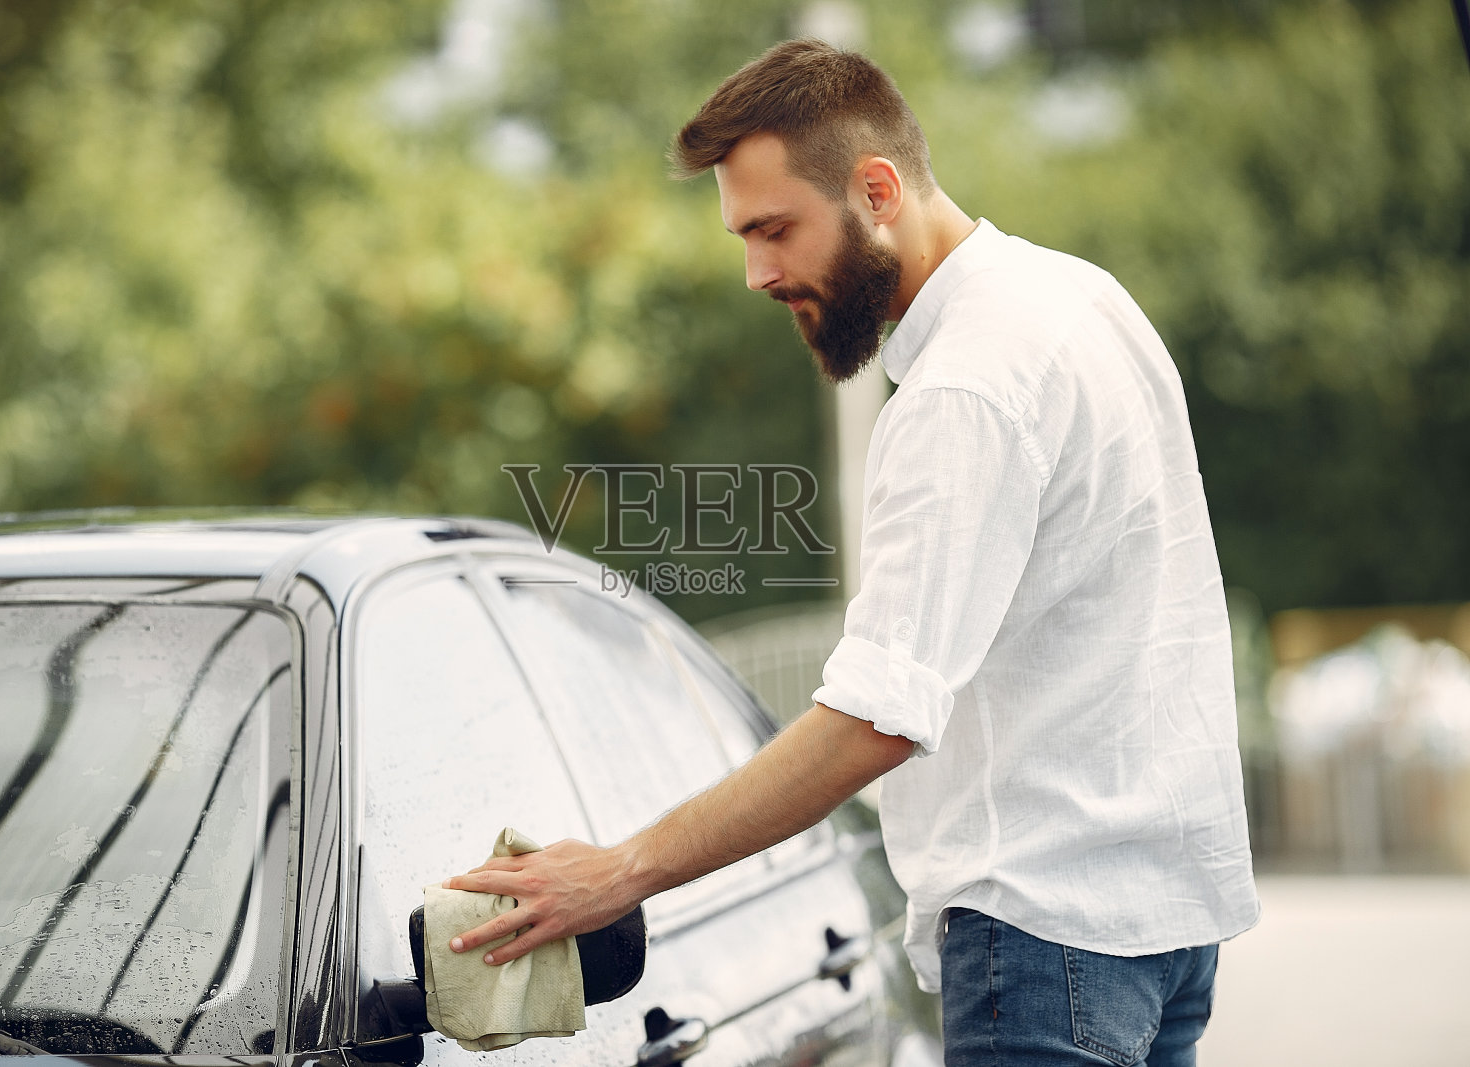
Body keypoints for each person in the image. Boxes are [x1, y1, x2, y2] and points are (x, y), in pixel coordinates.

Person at [446, 38, 1260, 1065]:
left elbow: (872, 719)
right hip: (1161, 924)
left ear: (875, 189)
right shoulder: (1082, 298)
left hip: (1048, 939)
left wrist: (620, 868)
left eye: (774, 229)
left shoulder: (963, 386)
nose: (756, 273)